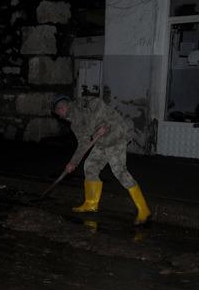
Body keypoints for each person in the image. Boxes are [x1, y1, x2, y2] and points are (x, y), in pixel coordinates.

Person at [52, 94, 151, 225]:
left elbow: (98, 104)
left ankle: (144, 210)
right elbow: (83, 144)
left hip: (116, 134)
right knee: (90, 166)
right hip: (102, 141)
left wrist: (101, 126)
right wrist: (73, 162)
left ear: (61, 108)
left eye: (58, 113)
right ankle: (91, 203)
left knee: (119, 171)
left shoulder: (82, 103)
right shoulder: (74, 125)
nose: (59, 116)